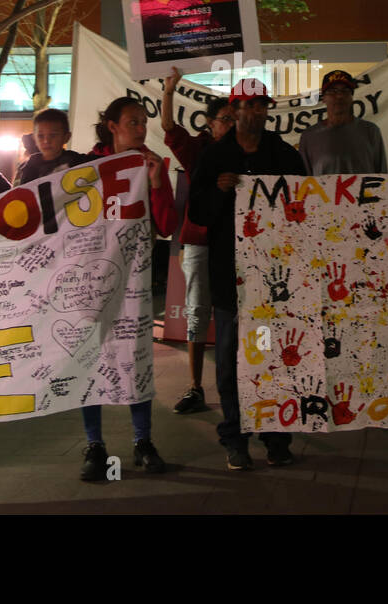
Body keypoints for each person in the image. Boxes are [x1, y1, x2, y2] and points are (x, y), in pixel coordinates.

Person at [189, 78, 307, 471]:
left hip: (276, 279)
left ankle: (276, 436)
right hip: (229, 276)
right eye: (247, 105)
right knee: (228, 361)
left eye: (261, 105)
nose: (255, 112)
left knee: (275, 356)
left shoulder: (284, 154)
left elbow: (306, 205)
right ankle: (235, 438)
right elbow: (197, 215)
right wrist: (219, 192)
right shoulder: (214, 157)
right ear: (235, 110)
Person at [77, 97, 177, 480]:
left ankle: (142, 441)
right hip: (92, 281)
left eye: (143, 122)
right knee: (90, 362)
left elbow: (167, 224)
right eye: (132, 122)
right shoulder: (87, 168)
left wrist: (155, 183)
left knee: (135, 359)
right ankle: (95, 445)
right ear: (113, 126)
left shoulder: (151, 164)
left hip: (134, 282)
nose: (140, 128)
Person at [159, 68, 236, 415]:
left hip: (238, 243)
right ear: (209, 123)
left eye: (236, 118)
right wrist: (168, 92)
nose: (231, 124)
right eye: (225, 119)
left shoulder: (249, 149)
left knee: (237, 314)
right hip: (201, 242)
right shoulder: (199, 152)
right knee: (197, 313)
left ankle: (239, 384)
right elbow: (170, 131)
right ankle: (195, 387)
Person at [299, 69, 388, 175]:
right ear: (323, 98)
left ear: (352, 97)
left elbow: (383, 177)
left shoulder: (371, 131)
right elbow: (303, 182)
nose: (339, 96)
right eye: (332, 91)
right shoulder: (309, 136)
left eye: (345, 91)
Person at [16, 108, 87, 186]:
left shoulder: (78, 161)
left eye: (53, 135)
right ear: (34, 139)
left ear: (66, 137)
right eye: (40, 136)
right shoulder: (29, 168)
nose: (46, 141)